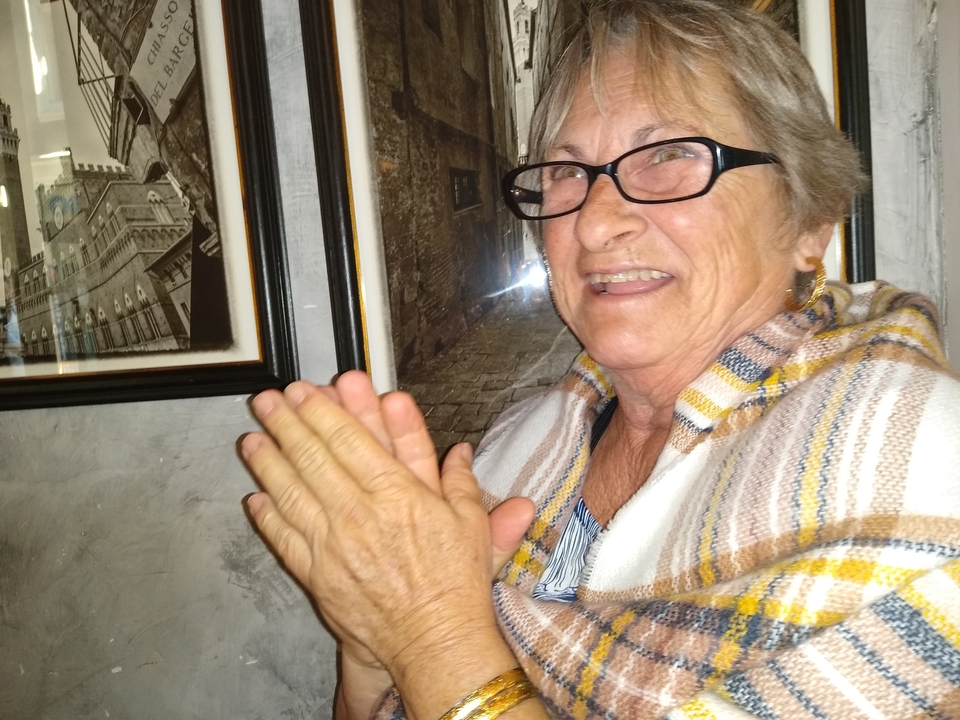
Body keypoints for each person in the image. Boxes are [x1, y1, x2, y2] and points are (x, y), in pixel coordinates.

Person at [240, 1, 960, 718]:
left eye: (670, 155)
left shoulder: (912, 457)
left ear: (811, 219)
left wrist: (430, 633)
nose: (594, 222)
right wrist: (373, 650)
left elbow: (437, 654)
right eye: (566, 170)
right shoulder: (522, 438)